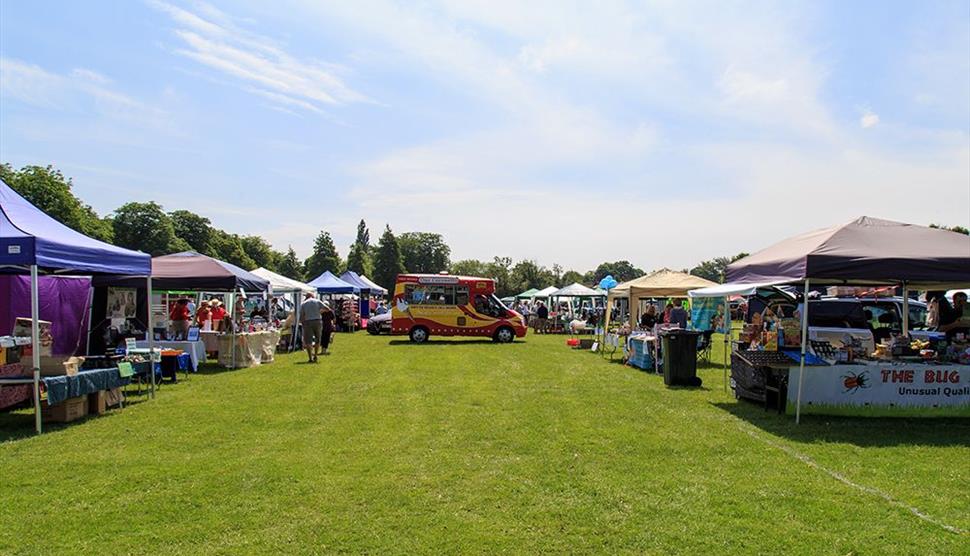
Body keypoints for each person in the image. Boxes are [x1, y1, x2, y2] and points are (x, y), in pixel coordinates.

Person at [300, 292, 326, 363]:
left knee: (308, 341)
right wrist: (319, 312)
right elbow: (327, 308)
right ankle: (316, 355)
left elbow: (301, 315)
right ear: (312, 296)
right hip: (317, 321)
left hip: (308, 322)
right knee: (318, 339)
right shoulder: (317, 301)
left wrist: (303, 323)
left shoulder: (303, 303)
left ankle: (310, 358)